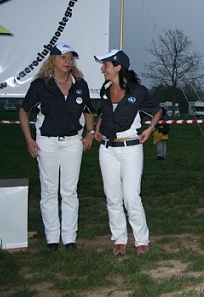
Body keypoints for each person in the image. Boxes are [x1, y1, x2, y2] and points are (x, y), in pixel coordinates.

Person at [19, 43, 95, 250]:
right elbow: (24, 112)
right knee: (49, 190)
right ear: (52, 60)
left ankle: (69, 238)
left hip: (72, 142)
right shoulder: (40, 85)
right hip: (47, 142)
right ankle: (52, 237)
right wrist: (29, 140)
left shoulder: (80, 85)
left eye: (70, 58)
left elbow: (89, 110)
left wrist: (89, 133)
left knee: (69, 191)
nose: (67, 61)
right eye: (63, 57)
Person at [92, 50, 162, 257]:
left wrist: (150, 128)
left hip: (130, 148)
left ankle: (141, 240)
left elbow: (157, 110)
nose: (102, 69)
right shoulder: (105, 90)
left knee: (131, 197)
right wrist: (97, 128)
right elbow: (104, 112)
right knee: (112, 197)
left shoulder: (137, 91)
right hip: (107, 150)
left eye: (105, 65)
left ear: (118, 67)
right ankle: (119, 240)